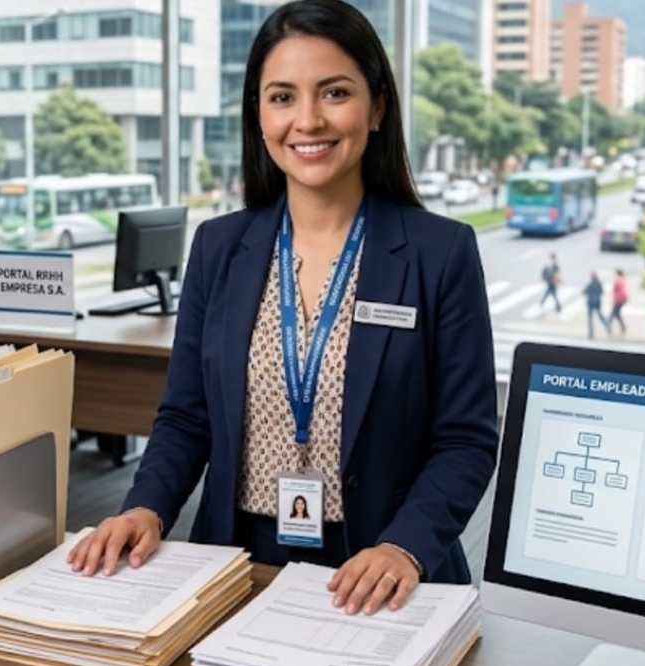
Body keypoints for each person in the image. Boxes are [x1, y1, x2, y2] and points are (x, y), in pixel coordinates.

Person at [67, 0, 498, 617]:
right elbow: (187, 418)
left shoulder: (440, 252)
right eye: (282, 97)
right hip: (237, 559)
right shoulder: (220, 246)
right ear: (259, 114)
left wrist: (406, 546)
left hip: (382, 570)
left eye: (334, 92)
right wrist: (146, 506)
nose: (309, 120)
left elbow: (466, 439)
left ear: (376, 107)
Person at [583, 272, 607, 340]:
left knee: (590, 319)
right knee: (600, 315)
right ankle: (607, 326)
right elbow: (602, 292)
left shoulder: (590, 284)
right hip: (597, 302)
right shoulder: (599, 284)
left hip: (590, 302)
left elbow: (584, 292)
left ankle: (591, 333)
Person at [608, 269, 628, 334]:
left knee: (612, 314)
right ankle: (623, 327)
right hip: (622, 299)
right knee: (617, 314)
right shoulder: (623, 279)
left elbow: (614, 290)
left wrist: (612, 300)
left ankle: (608, 327)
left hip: (618, 299)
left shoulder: (617, 281)